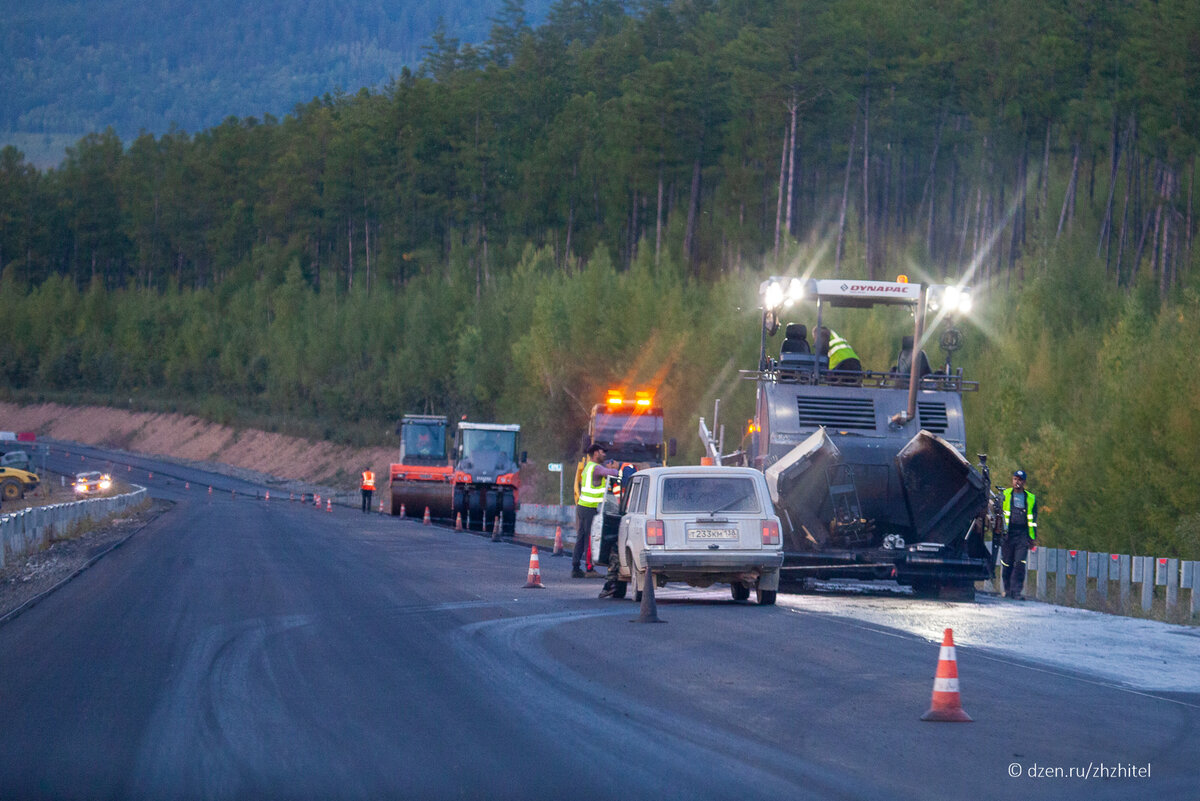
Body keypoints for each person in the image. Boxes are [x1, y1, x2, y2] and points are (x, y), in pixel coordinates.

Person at [573, 443, 619, 578]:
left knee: (581, 537)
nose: (604, 454)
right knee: (589, 538)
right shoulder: (596, 468)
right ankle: (589, 568)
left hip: (582, 506)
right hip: (589, 507)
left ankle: (576, 567)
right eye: (602, 452)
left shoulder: (588, 467)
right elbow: (613, 473)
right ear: (595, 454)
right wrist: (615, 468)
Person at [1000, 469, 1038, 599]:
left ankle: (1016, 592)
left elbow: (1033, 520)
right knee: (1007, 562)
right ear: (1012, 480)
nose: (1017, 482)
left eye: (1020, 480)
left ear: (1024, 482)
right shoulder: (1005, 494)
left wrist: (1032, 538)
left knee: (1020, 562)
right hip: (1008, 534)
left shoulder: (1031, 498)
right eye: (1015, 479)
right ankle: (1007, 589)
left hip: (1022, 535)